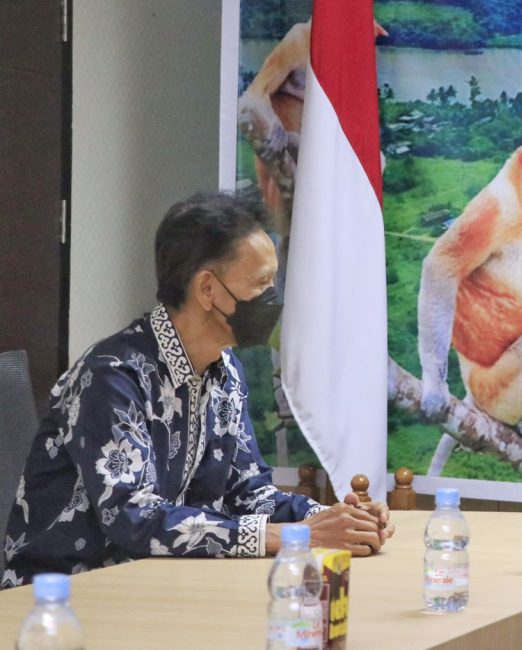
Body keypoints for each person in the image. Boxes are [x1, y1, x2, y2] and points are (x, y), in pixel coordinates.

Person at [1, 193, 393, 589]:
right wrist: (293, 535)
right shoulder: (112, 376)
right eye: (261, 282)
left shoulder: (226, 371)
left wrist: (335, 519)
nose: (273, 297)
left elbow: (247, 492)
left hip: (160, 583)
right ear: (208, 288)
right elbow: (132, 517)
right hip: (63, 594)